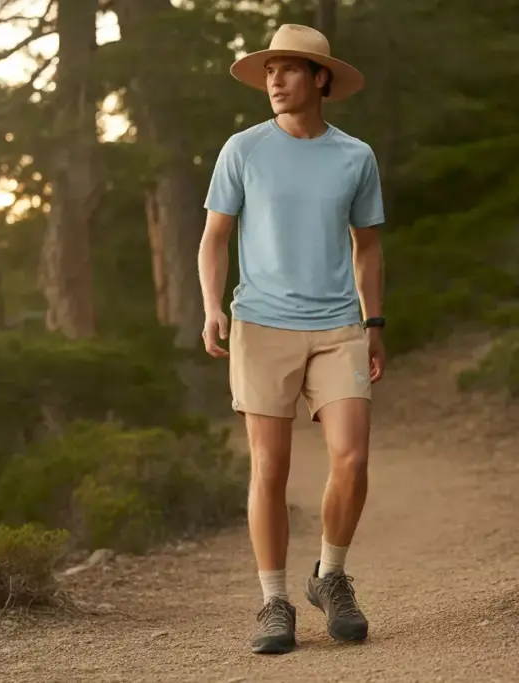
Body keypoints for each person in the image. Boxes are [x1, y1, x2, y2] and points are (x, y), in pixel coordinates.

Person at [196, 23, 386, 655]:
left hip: (338, 327)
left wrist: (375, 322)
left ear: (320, 79)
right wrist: (212, 307)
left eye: (289, 69)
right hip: (261, 325)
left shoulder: (355, 156)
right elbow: (215, 237)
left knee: (352, 460)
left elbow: (368, 247)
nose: (274, 80)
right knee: (270, 468)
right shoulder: (243, 150)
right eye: (270, 70)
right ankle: (274, 601)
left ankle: (330, 577)